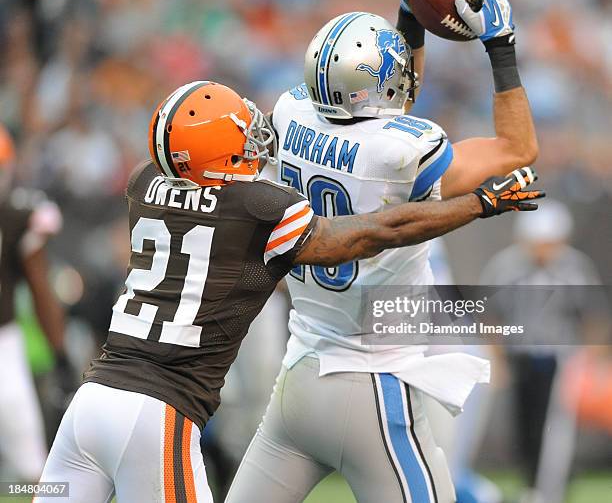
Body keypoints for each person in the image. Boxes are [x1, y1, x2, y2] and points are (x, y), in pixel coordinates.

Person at [35, 80, 541, 502]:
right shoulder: (260, 207)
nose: (255, 138)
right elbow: (371, 234)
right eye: (241, 131)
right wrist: (480, 202)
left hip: (92, 399)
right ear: (218, 154)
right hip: (156, 414)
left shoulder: (143, 184)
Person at [227, 0, 539, 503]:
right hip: (373, 384)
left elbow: (385, 108)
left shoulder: (290, 114)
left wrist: (409, 23)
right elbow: (517, 150)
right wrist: (501, 46)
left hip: (300, 373)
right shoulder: (402, 152)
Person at [480, 199, 603, 503]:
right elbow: (489, 315)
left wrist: (588, 359)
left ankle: (551, 490)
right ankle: (532, 486)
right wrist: (496, 358)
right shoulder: (507, 267)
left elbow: (594, 315)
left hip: (561, 359)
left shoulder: (574, 268)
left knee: (556, 431)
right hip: (519, 356)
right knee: (524, 425)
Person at [0, 123, 67, 481]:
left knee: (31, 469)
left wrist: (59, 351)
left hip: (4, 342)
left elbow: (40, 286)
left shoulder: (17, 215)